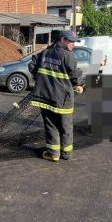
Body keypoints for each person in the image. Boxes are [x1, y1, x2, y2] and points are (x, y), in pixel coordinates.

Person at [29, 30, 82, 162]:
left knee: (51, 125)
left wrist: (39, 78)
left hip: (45, 97)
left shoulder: (45, 53)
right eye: (71, 42)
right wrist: (78, 85)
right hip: (63, 100)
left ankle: (53, 153)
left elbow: (32, 65)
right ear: (63, 39)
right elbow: (74, 75)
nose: (73, 45)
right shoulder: (68, 56)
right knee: (66, 127)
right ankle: (66, 153)